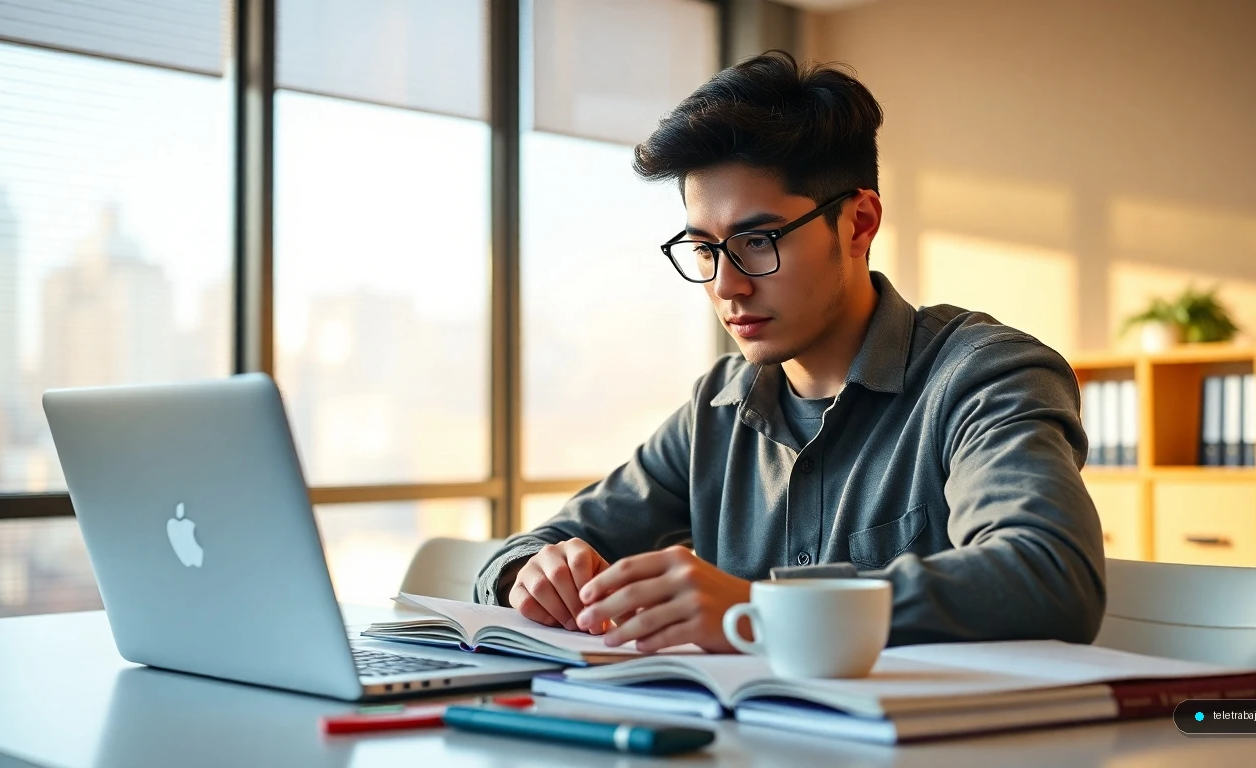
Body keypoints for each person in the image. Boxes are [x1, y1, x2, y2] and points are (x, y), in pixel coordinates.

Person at [473, 51, 1105, 653]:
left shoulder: (985, 377)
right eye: (704, 248)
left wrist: (758, 613)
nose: (726, 285)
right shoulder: (717, 408)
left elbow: (1048, 576)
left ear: (859, 224)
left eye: (758, 240)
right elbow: (538, 547)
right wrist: (530, 572)